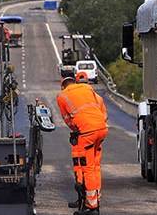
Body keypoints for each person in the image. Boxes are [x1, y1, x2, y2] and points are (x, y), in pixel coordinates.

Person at [56, 75, 108, 214]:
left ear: (63, 86)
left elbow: (67, 119)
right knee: (96, 166)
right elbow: (101, 105)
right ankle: (95, 199)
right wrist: (100, 122)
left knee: (88, 168)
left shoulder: (62, 96)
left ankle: (91, 206)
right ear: (75, 82)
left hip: (87, 133)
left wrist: (76, 130)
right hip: (102, 129)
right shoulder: (88, 88)